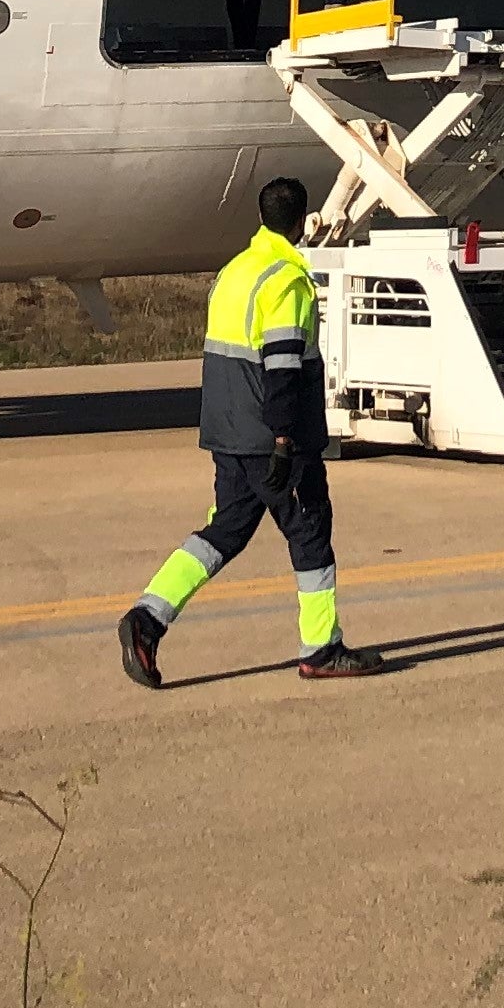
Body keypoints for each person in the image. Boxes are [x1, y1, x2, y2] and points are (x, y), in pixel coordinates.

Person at [119, 176, 387, 685]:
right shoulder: (287, 279)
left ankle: (147, 617)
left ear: (261, 218)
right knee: (309, 531)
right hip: (271, 436)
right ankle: (321, 649)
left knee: (224, 532)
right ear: (302, 222)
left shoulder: (234, 271)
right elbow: (283, 367)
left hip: (227, 432)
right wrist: (285, 440)